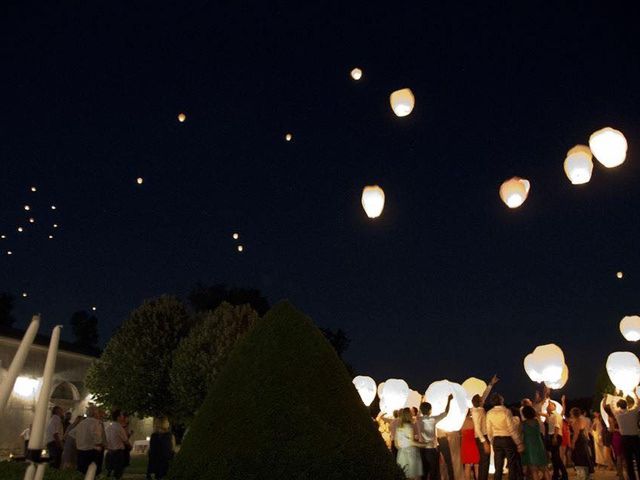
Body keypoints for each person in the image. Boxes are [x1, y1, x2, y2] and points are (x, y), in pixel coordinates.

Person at [486, 393, 524, 480]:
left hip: (496, 440)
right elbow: (512, 429)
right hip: (507, 439)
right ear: (501, 401)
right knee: (511, 464)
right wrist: (519, 443)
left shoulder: (489, 413)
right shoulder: (506, 411)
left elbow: (489, 430)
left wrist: (492, 440)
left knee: (498, 466)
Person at [417, 395, 453, 480]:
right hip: (432, 449)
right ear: (430, 410)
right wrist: (449, 400)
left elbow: (419, 411)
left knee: (424, 472)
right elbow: (446, 413)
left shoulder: (419, 419)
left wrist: (421, 400)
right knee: (434, 471)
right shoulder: (433, 419)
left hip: (422, 449)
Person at [472, 375, 499, 480]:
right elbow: (477, 429)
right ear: (479, 402)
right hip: (481, 437)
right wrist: (484, 442)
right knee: (484, 461)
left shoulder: (479, 408)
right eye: (481, 399)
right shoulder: (476, 412)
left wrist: (491, 384)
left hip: (483, 437)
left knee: (485, 461)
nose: (483, 400)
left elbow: (485, 395)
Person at [610, 393, 640, 480]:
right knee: (638, 459)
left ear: (619, 406)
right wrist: (633, 393)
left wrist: (615, 395)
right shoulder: (633, 412)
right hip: (635, 438)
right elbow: (638, 402)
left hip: (625, 439)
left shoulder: (618, 415)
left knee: (628, 461)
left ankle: (632, 478)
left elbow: (612, 405)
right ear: (626, 405)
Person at [521, 406, 551, 480]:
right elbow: (543, 431)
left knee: (534, 470)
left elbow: (521, 436)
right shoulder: (537, 421)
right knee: (545, 468)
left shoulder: (523, 424)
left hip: (529, 446)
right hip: (539, 444)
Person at [75, 406, 105, 475]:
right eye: (97, 412)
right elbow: (97, 439)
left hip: (80, 451)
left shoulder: (81, 423)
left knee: (82, 473)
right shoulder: (95, 422)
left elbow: (72, 433)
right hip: (91, 452)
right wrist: (101, 444)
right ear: (95, 413)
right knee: (92, 473)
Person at [395, 408, 423, 480]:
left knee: (406, 476)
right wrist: (424, 444)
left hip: (402, 454)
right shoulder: (410, 426)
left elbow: (396, 444)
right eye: (411, 413)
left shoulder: (399, 427)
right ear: (409, 415)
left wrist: (403, 448)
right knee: (416, 476)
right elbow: (412, 442)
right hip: (412, 453)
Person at [569, 407, 594, 480]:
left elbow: (576, 433)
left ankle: (581, 475)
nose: (570, 413)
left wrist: (573, 443)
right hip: (583, 438)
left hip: (579, 439)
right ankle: (587, 474)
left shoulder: (576, 421)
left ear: (573, 413)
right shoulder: (582, 419)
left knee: (579, 456)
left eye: (571, 412)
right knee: (585, 455)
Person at [105, 410, 131, 479]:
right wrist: (129, 445)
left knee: (111, 470)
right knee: (118, 473)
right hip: (118, 452)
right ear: (118, 417)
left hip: (110, 451)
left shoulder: (108, 427)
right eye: (121, 415)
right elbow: (125, 440)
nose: (122, 417)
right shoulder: (119, 427)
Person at [546, 400, 568, 480]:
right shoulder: (551, 415)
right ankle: (556, 475)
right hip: (554, 436)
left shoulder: (556, 415)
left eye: (550, 405)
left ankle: (564, 475)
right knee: (555, 457)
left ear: (554, 407)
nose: (548, 406)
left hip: (556, 436)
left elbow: (557, 426)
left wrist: (555, 437)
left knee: (556, 457)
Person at [461, 409, 480, 480]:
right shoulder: (473, 420)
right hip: (473, 443)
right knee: (476, 465)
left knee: (467, 465)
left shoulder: (461, 422)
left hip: (465, 445)